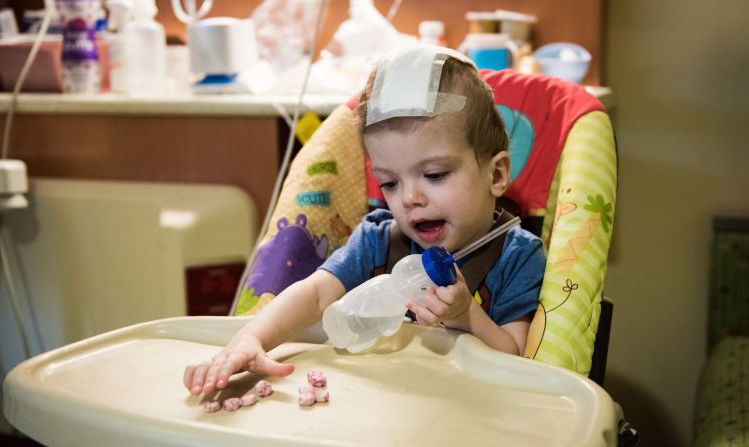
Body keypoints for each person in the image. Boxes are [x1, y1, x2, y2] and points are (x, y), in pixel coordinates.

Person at [183, 44, 546, 397]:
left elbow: (517, 360)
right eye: (390, 182)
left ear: (496, 175)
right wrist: (250, 338)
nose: (409, 199)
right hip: (377, 407)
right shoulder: (378, 240)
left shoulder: (518, 256)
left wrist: (467, 314)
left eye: (434, 175)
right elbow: (314, 295)